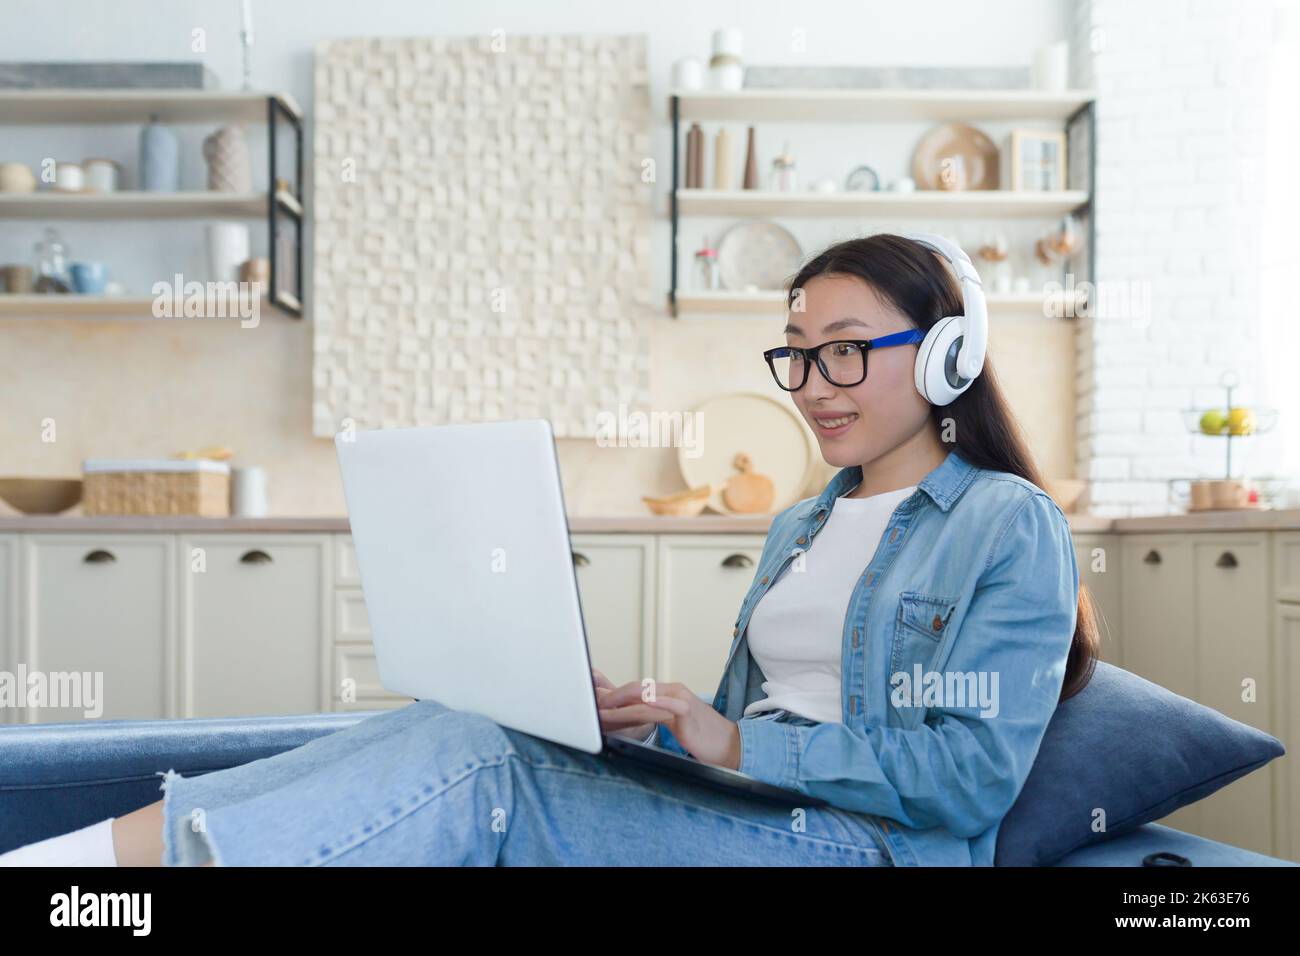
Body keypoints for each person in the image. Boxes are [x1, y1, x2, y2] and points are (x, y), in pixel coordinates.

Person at [0, 233, 1096, 867]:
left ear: (949, 357)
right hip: (763, 809)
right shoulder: (800, 522)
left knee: (477, 774)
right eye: (796, 355)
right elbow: (746, 721)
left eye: (846, 353)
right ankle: (78, 865)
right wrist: (651, 728)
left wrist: (733, 747)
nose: (812, 386)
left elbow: (969, 778)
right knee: (457, 721)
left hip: (871, 847)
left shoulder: (1008, 524)